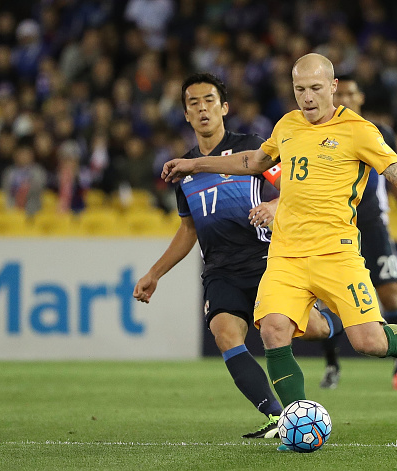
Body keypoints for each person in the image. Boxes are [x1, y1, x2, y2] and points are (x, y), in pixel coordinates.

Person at [161, 55, 397, 449]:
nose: (307, 98)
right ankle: (296, 427)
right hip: (286, 254)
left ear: (333, 86)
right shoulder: (286, 125)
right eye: (299, 90)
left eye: (315, 89)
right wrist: (193, 164)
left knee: (369, 343)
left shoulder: (359, 131)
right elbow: (254, 161)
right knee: (273, 330)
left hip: (336, 254)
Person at [134, 73, 342, 439]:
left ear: (224, 107)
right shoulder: (184, 170)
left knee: (312, 329)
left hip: (266, 261)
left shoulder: (253, 149)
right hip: (220, 269)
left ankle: (331, 322)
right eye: (193, 103)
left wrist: (276, 206)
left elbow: (296, 186)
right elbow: (189, 230)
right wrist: (154, 273)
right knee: (224, 332)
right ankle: (279, 418)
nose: (202, 108)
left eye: (209, 100)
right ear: (185, 114)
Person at [249, 75, 397, 391]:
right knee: (325, 303)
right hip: (326, 230)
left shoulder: (374, 133)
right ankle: (332, 367)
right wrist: (277, 202)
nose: (349, 99)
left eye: (355, 94)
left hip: (370, 223)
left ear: (360, 98)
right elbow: (289, 179)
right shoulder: (307, 131)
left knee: (390, 293)